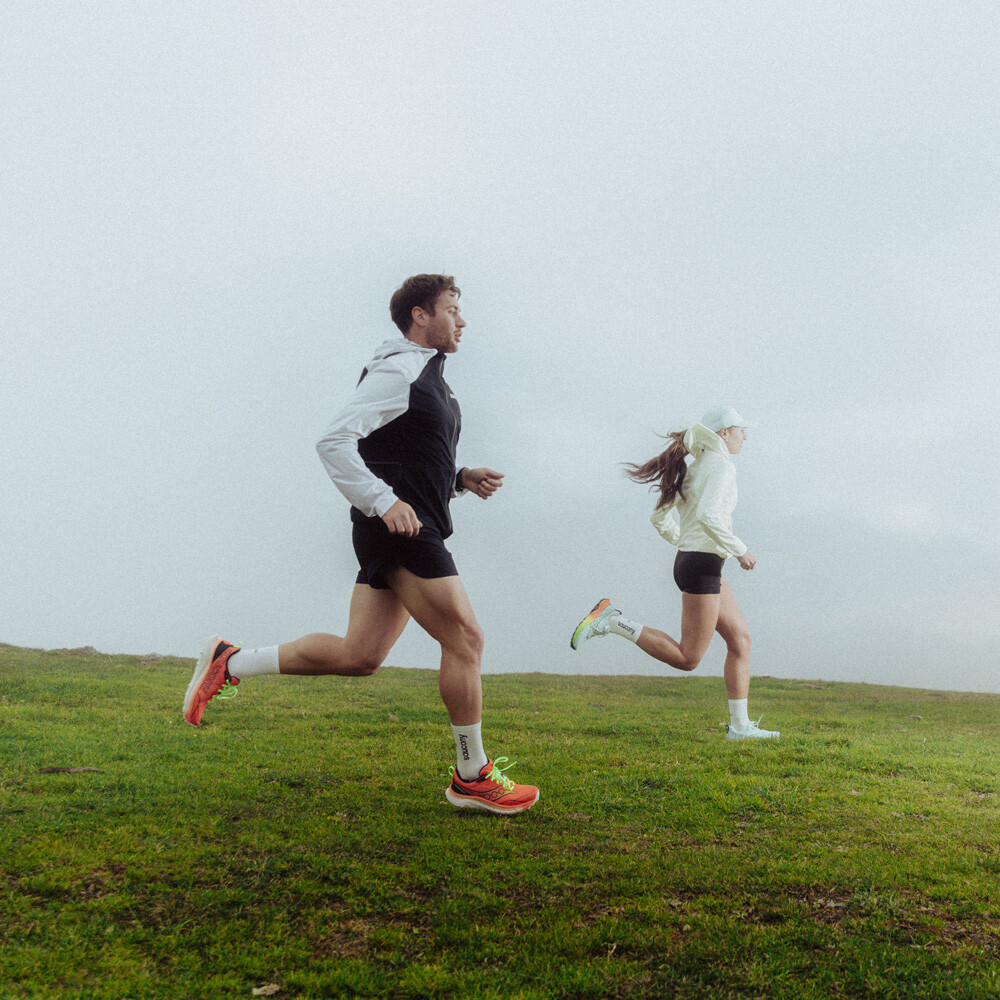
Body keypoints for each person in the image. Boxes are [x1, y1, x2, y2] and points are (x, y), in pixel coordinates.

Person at [183, 274, 540, 813]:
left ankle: (230, 662)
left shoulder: (434, 381)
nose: (462, 320)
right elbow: (334, 440)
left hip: (402, 523)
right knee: (466, 639)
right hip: (400, 529)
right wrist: (382, 501)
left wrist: (458, 478)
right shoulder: (398, 370)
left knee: (360, 655)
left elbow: (404, 454)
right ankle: (472, 775)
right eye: (451, 309)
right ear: (420, 316)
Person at [570, 406, 779, 741]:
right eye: (741, 429)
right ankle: (610, 620)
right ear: (723, 433)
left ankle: (740, 727)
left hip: (697, 561)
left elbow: (660, 520)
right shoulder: (722, 468)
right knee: (687, 658)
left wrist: (687, 543)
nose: (745, 435)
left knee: (740, 640)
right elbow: (711, 515)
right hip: (702, 566)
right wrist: (741, 550)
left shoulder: (694, 468)